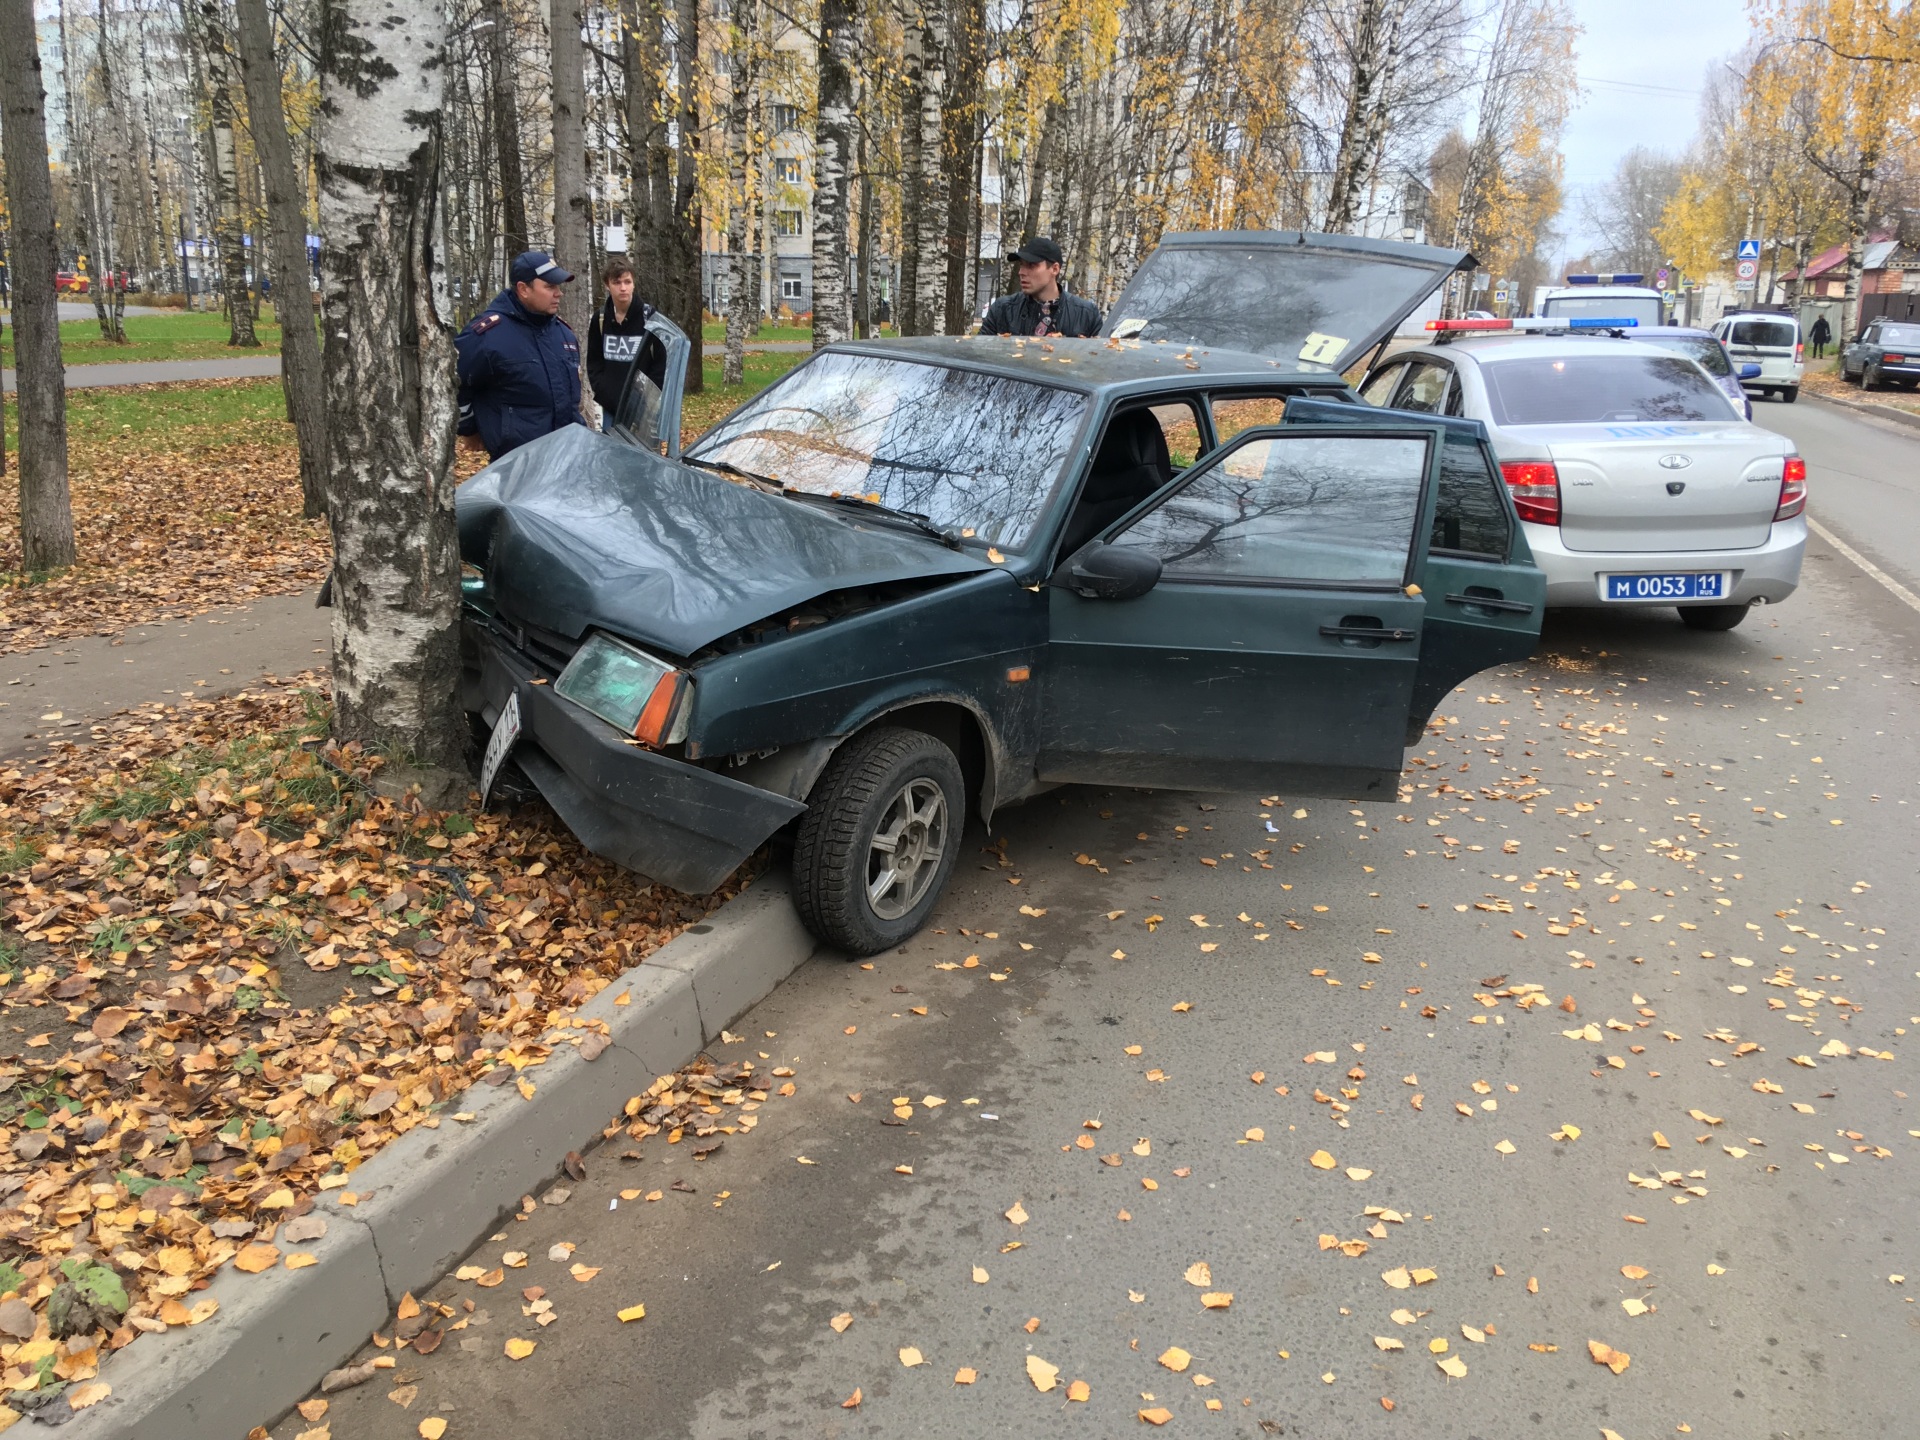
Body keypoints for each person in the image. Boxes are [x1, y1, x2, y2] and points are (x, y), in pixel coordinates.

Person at [456, 250, 586, 461]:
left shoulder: (563, 334)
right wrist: (469, 428)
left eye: (558, 286)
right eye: (550, 286)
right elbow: (455, 383)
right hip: (515, 466)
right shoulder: (488, 335)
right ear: (523, 289)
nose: (558, 293)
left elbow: (570, 403)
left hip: (565, 460)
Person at [585, 255, 658, 430]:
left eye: (627, 282)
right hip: (611, 407)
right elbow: (594, 360)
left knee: (645, 455)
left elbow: (661, 362)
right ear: (607, 285)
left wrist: (651, 398)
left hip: (644, 408)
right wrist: (603, 391)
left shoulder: (650, 318)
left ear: (634, 283)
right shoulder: (600, 319)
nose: (623, 288)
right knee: (613, 454)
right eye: (617, 282)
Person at [982, 236, 1102, 337]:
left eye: (1031, 265)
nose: (1021, 272)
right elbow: (979, 356)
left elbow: (1102, 358)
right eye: (1021, 265)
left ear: (1054, 269)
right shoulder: (1003, 310)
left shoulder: (1086, 314)